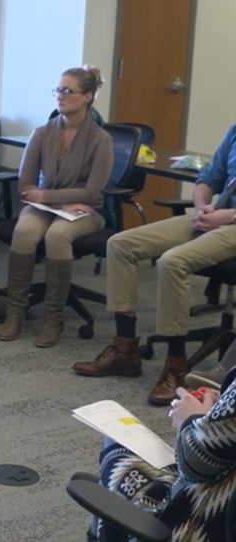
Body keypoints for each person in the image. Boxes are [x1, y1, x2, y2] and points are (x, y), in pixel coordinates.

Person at [72, 121, 236, 405]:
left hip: (231, 223)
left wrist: (225, 217)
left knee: (173, 261)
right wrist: (201, 208)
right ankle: (124, 350)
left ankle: (176, 364)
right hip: (213, 216)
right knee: (120, 244)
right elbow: (209, 178)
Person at [0, 66, 113, 348]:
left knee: (57, 236)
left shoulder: (101, 140)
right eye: (57, 90)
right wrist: (58, 199)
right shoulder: (42, 133)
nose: (59, 96)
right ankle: (15, 311)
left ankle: (53, 317)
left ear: (87, 96)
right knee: (24, 231)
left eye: (67, 91)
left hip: (87, 211)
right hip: (50, 206)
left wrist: (48, 196)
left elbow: (92, 192)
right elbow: (25, 183)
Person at [88, 371, 235, 541]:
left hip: (196, 522)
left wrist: (190, 417)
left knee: (115, 440)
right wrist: (221, 407)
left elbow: (197, 462)